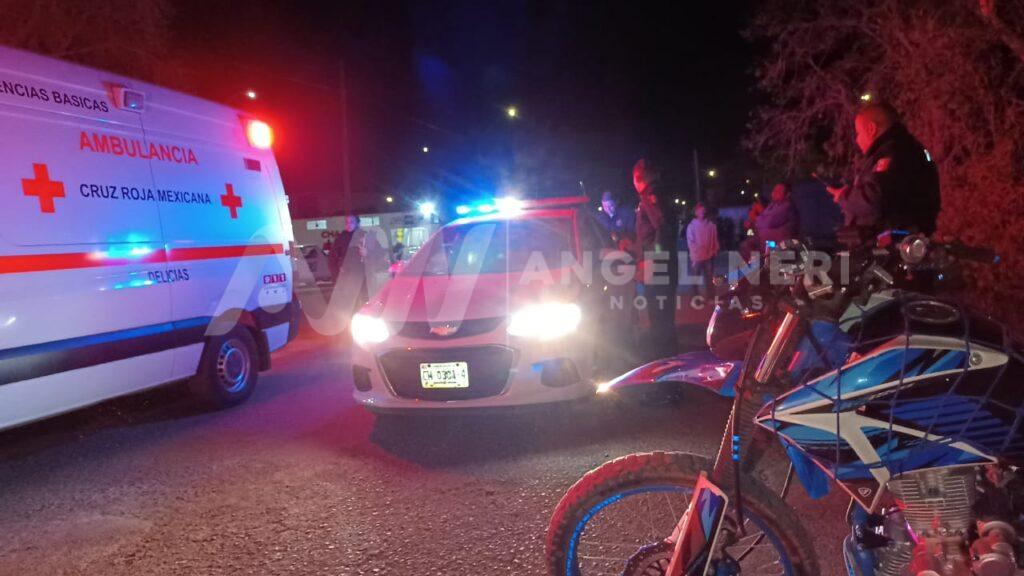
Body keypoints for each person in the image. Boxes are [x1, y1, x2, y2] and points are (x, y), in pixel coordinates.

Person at [826, 103, 941, 239]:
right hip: (906, 240)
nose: (857, 140)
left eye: (858, 133)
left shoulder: (893, 152)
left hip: (889, 243)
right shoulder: (909, 147)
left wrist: (845, 196)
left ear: (871, 129)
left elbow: (875, 198)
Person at [632, 158, 679, 361]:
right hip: (664, 264)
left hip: (659, 266)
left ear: (638, 177)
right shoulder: (659, 193)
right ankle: (668, 361)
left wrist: (652, 261)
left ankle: (664, 365)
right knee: (663, 318)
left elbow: (662, 228)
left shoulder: (650, 195)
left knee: (660, 319)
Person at [685, 203, 719, 297]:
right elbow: (690, 242)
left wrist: (715, 250)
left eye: (703, 210)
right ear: (696, 212)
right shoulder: (691, 226)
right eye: (700, 210)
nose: (702, 212)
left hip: (708, 256)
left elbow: (714, 239)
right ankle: (695, 296)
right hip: (697, 257)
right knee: (695, 277)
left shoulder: (711, 225)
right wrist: (698, 251)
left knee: (709, 278)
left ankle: (711, 295)